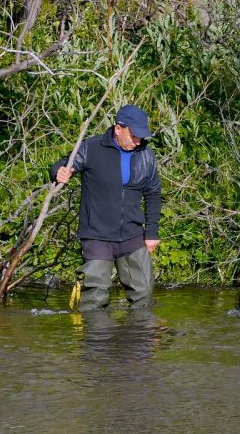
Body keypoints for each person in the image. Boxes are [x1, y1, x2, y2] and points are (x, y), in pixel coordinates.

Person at [51, 104, 162, 310]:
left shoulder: (147, 155)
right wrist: (59, 172)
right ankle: (99, 341)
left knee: (143, 296)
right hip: (96, 236)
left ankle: (136, 339)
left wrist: (152, 232)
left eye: (142, 136)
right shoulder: (91, 148)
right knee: (94, 299)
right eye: (134, 135)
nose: (138, 141)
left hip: (132, 235)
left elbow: (153, 193)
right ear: (118, 128)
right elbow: (64, 165)